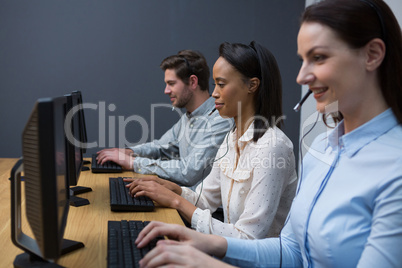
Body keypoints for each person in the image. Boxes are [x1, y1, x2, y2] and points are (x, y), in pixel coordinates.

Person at [133, 0, 402, 267]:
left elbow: (253, 238)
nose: (301, 76)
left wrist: (205, 259)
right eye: (303, 60)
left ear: (372, 54)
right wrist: (206, 241)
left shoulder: (394, 168)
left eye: (318, 57)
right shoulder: (322, 148)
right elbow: (292, 251)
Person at [127, 41, 297, 239]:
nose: (214, 93)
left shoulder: (272, 146)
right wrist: (173, 190)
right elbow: (205, 199)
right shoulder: (231, 138)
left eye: (221, 84)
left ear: (252, 85)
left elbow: (248, 237)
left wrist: (176, 201)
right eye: (215, 84)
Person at [96, 50, 232, 186]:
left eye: (171, 83)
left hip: (200, 206)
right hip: (182, 200)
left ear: (192, 82)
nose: (166, 91)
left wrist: (133, 163)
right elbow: (160, 147)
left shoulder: (220, 120)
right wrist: (129, 152)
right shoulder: (188, 117)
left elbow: (189, 172)